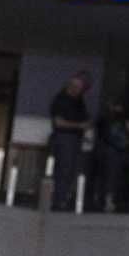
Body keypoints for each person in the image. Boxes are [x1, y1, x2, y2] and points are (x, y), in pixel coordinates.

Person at [47, 72, 92, 211]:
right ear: (72, 86)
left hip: (75, 139)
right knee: (63, 170)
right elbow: (58, 122)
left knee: (70, 171)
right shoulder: (61, 100)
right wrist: (79, 126)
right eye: (79, 87)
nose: (80, 91)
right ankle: (58, 200)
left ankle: (63, 198)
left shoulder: (78, 101)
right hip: (64, 138)